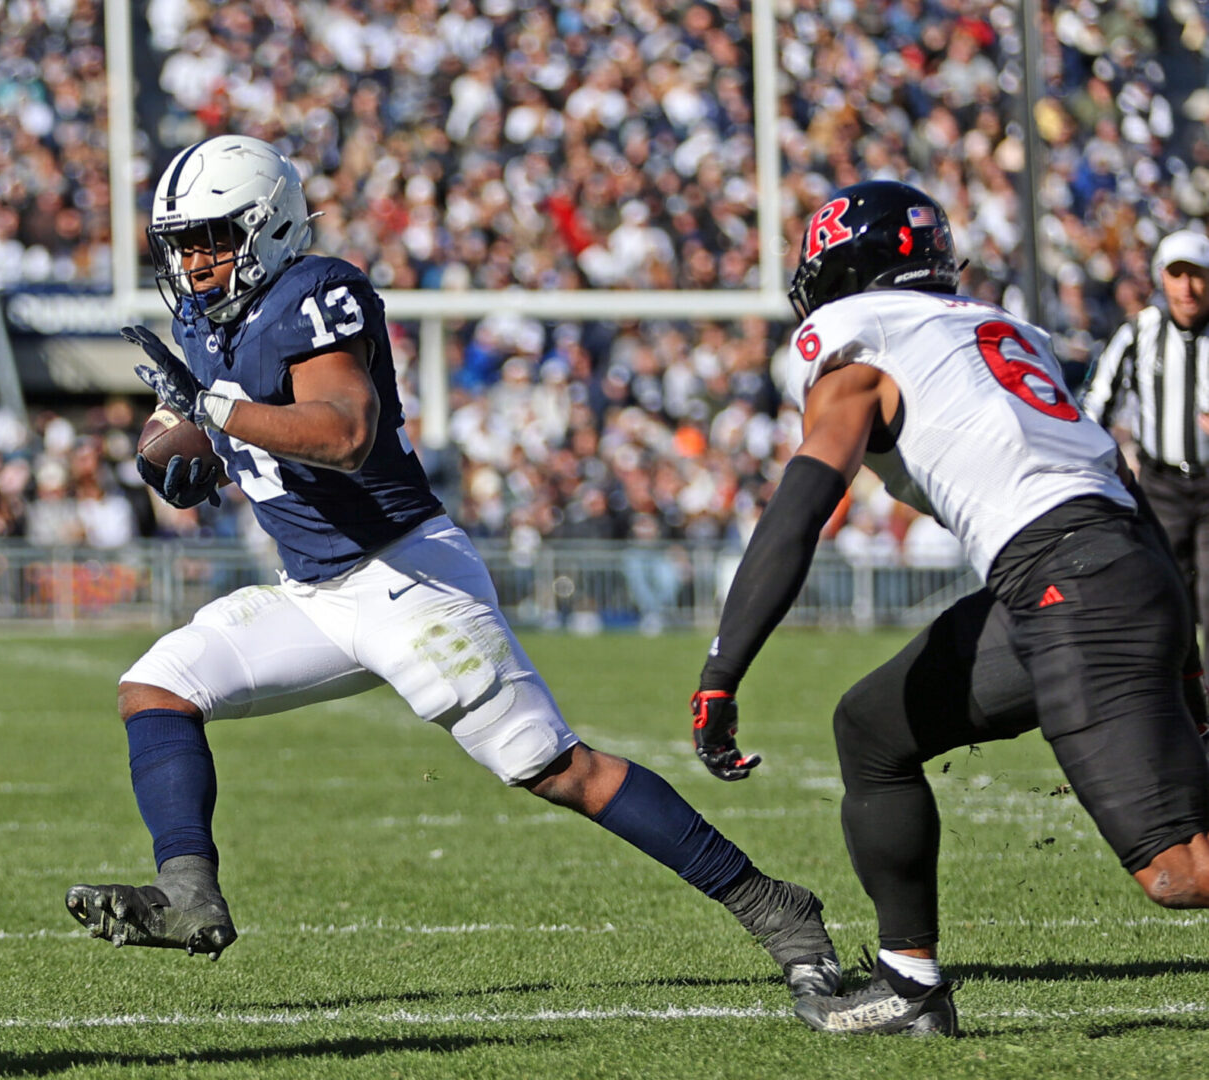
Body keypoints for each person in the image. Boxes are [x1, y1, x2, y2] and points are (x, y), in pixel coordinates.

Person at [63, 135, 841, 999]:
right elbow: (205, 429)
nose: (194, 262)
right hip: (315, 591)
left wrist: (219, 410)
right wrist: (178, 451)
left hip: (406, 579)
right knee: (157, 685)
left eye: (212, 237)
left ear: (268, 226)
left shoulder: (315, 293)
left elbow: (346, 434)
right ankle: (186, 890)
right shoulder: (205, 324)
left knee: (556, 770)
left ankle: (773, 905)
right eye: (182, 244)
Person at [688, 180, 1209, 1037]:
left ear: (843, 270)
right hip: (1099, 564)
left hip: (1069, 581)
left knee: (1178, 871)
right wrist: (1182, 649)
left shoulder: (861, 348)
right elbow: (1115, 476)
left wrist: (722, 667)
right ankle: (912, 985)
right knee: (873, 728)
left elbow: (801, 506)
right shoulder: (990, 330)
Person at [1081, 230, 1209, 627]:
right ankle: (1178, 690)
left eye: (1197, 275)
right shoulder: (1138, 333)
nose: (1187, 288)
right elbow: (1095, 406)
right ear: (1161, 279)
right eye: (1177, 274)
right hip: (1161, 488)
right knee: (1164, 601)